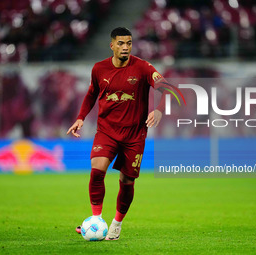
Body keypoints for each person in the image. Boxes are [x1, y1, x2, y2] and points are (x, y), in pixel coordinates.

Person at [67, 27, 181, 240]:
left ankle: (116, 224)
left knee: (127, 180)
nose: (125, 47)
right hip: (107, 131)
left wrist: (158, 110)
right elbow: (92, 94)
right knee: (97, 169)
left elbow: (169, 89)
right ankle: (96, 220)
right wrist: (81, 117)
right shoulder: (99, 69)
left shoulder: (143, 68)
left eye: (128, 43)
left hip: (134, 134)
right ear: (112, 45)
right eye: (121, 43)